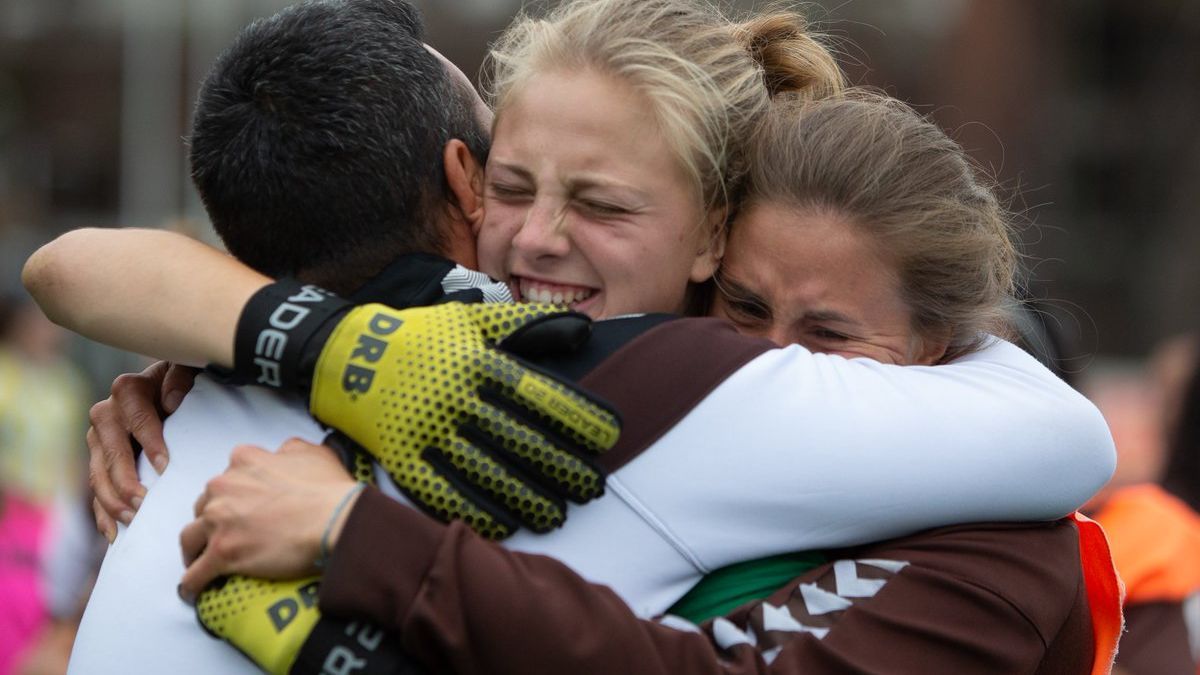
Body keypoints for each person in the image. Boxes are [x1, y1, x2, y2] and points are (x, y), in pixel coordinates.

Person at [23, 0, 1115, 672]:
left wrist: (349, 507)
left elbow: (1068, 438)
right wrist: (275, 349)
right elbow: (78, 267)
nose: (538, 238)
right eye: (514, 187)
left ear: (712, 233)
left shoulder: (694, 384)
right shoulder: (465, 338)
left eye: (604, 205)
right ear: (465, 183)